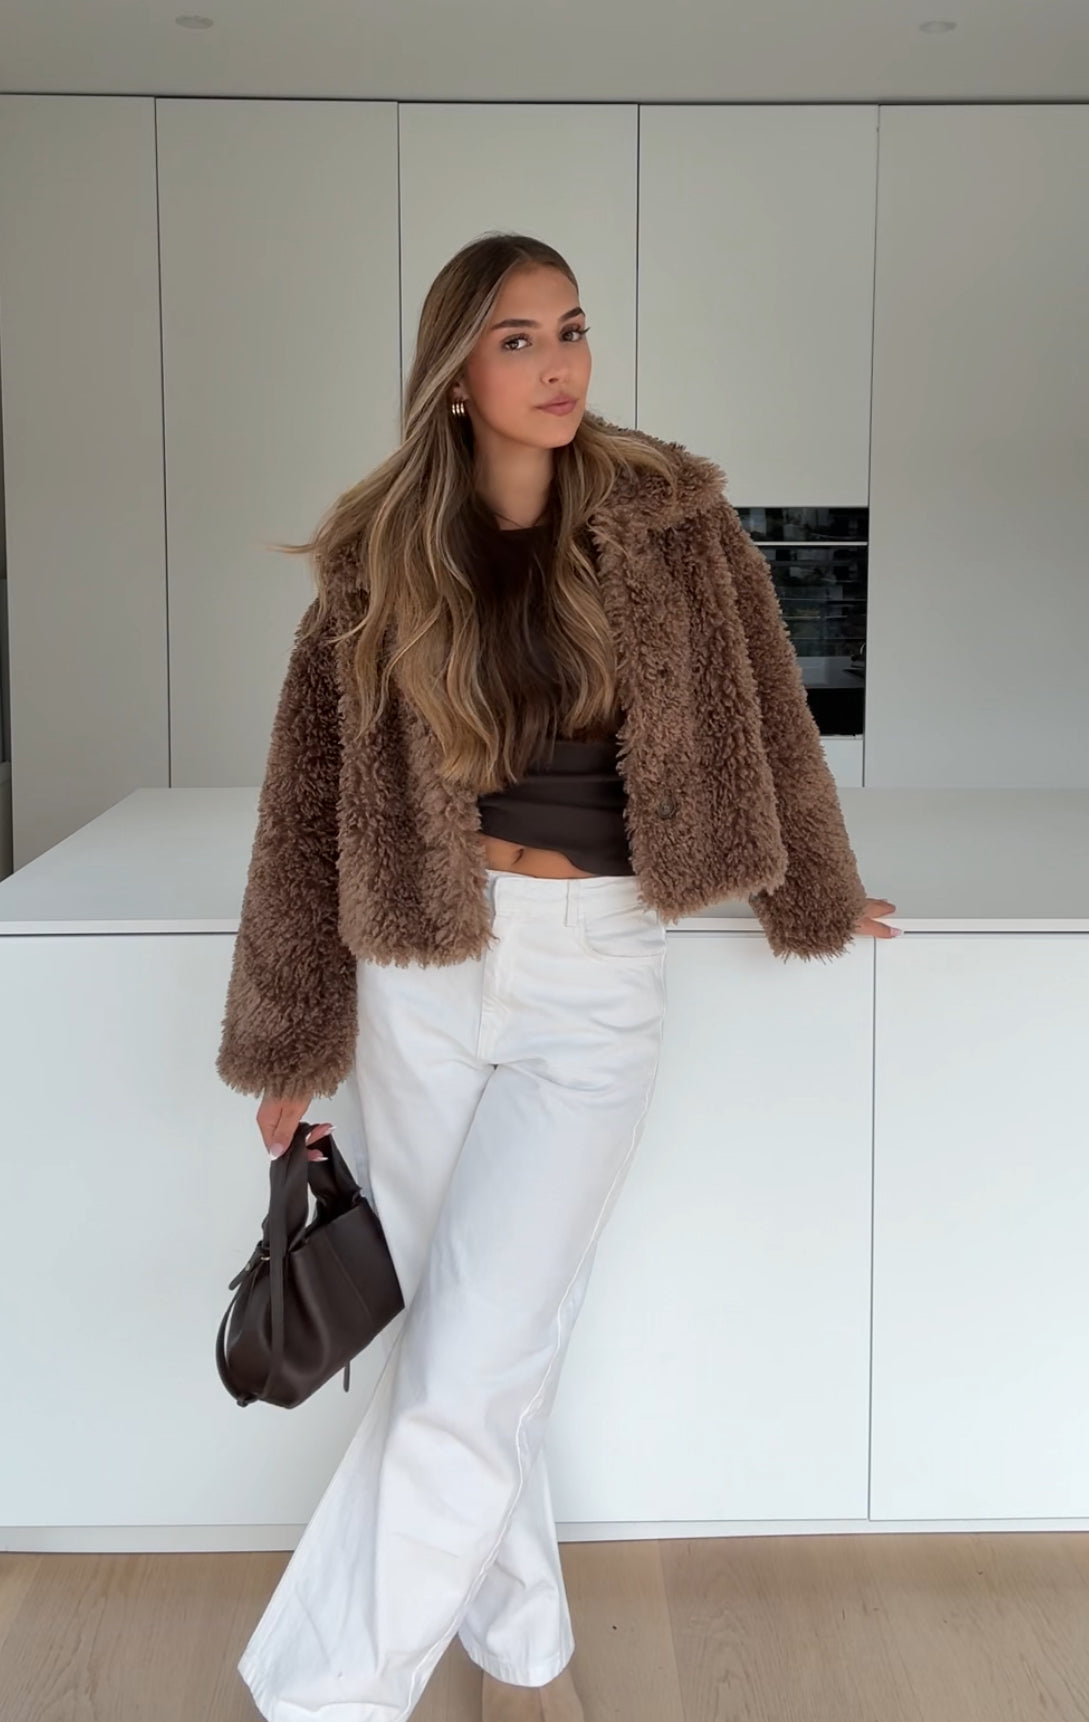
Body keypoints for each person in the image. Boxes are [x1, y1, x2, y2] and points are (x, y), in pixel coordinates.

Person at [215, 231, 898, 1722]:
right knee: (464, 1351)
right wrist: (291, 1038)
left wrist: (819, 886)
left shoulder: (673, 519)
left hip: (594, 975)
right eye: (517, 338)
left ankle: (321, 1699)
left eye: (571, 328)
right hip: (423, 962)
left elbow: (767, 705)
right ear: (456, 376)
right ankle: (525, 1658)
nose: (558, 362)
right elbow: (305, 800)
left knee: (476, 1361)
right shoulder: (382, 555)